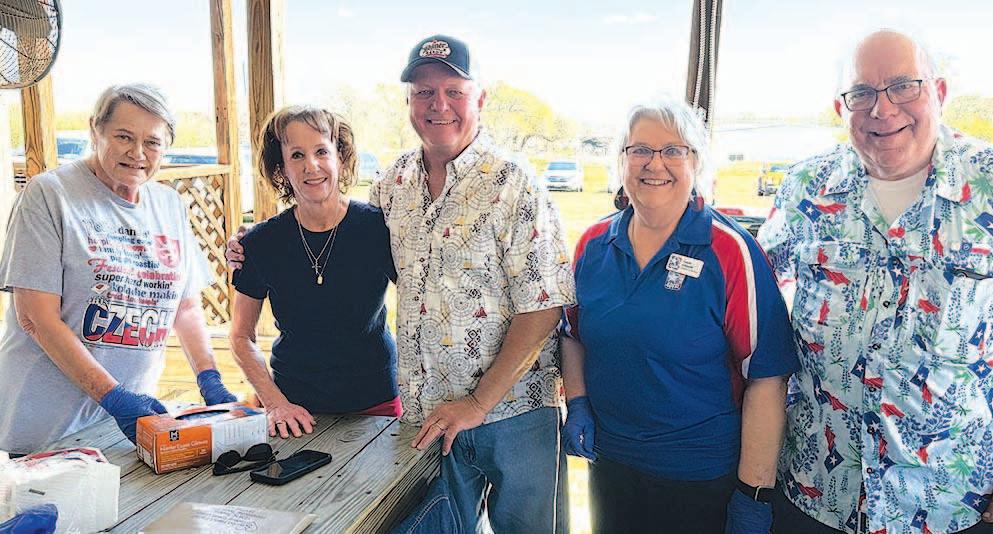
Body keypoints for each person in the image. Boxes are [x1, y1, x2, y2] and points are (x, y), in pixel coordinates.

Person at [759, 29, 993, 534]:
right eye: (862, 92)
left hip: (952, 503)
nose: (882, 109)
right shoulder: (804, 189)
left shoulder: (988, 184)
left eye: (904, 86)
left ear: (939, 92)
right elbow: (751, 307)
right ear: (840, 108)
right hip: (819, 494)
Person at [561, 100, 799, 533]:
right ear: (621, 160)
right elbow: (573, 334)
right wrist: (577, 403)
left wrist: (753, 496)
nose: (655, 164)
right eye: (640, 150)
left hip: (700, 475)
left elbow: (767, 376)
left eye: (673, 150)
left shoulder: (729, 251)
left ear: (697, 162)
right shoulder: (594, 244)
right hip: (611, 465)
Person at [377, 35, 574, 533]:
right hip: (428, 417)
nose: (438, 105)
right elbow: (343, 240)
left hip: (514, 412)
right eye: (424, 92)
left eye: (454, 92)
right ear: (409, 101)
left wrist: (478, 403)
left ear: (479, 99)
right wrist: (259, 243)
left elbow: (544, 306)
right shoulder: (393, 183)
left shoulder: (514, 183)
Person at [0, 83, 237, 454]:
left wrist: (210, 379)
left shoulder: (169, 204)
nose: (137, 153)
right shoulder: (49, 195)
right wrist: (113, 397)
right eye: (124, 136)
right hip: (44, 430)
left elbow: (186, 308)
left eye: (152, 142)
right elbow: (36, 318)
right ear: (95, 130)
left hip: (128, 430)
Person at [227, 106, 400, 439]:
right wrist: (275, 403)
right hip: (294, 407)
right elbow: (240, 337)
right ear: (281, 170)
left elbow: (422, 299)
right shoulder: (260, 242)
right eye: (297, 155)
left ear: (340, 157)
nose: (312, 165)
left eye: (321, 151)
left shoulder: (378, 228)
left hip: (376, 400)